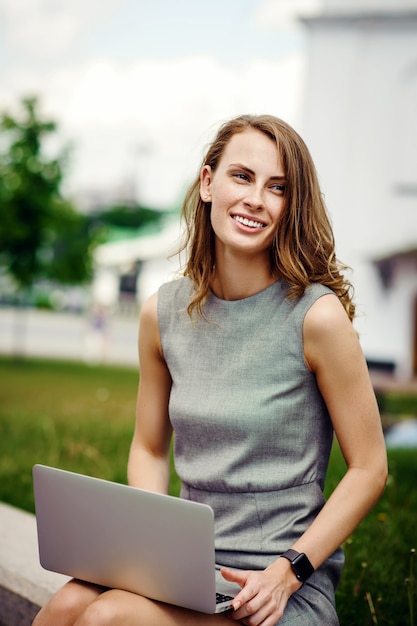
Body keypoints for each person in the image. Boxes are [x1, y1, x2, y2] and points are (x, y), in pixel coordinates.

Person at [33, 114, 387, 626]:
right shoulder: (163, 313)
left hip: (278, 588)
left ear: (290, 205)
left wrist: (289, 570)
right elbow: (150, 447)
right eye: (241, 176)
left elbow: (370, 469)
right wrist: (149, 547)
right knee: (69, 602)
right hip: (188, 570)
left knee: (107, 617)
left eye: (277, 188)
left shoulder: (316, 317)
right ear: (207, 183)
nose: (255, 199)